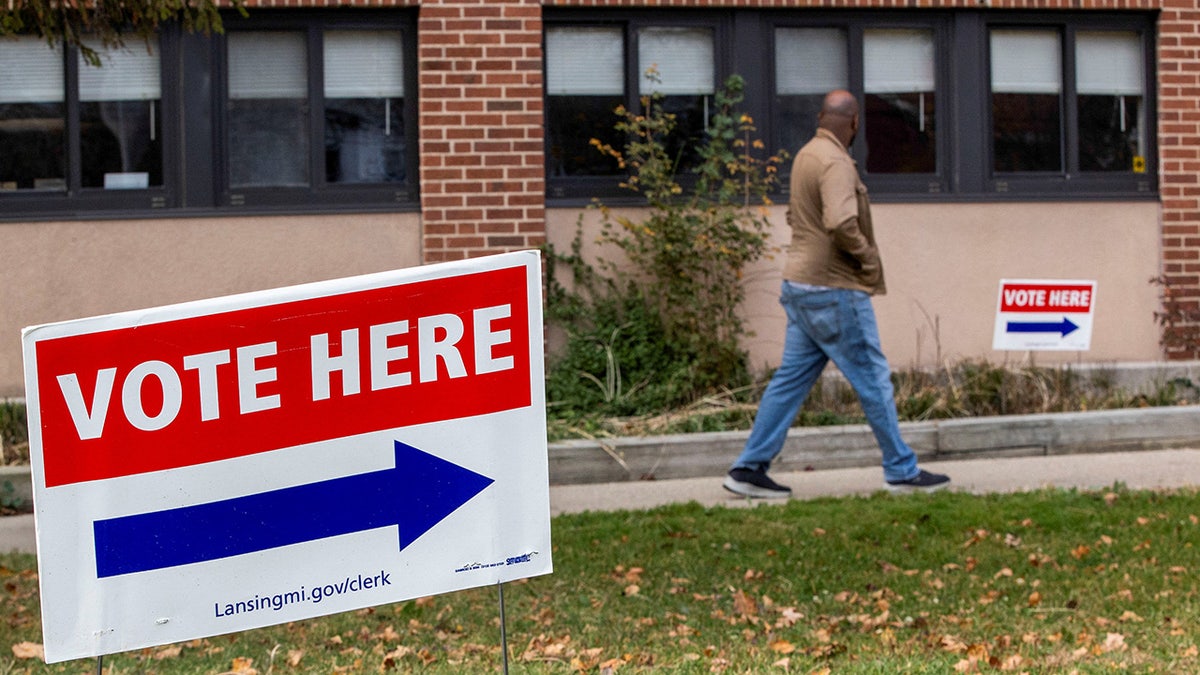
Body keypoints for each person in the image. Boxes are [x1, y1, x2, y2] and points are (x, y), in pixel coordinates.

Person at [723, 90, 950, 498]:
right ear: (855, 123)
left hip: (800, 284)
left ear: (820, 117)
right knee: (874, 379)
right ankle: (900, 469)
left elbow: (797, 216)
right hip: (833, 289)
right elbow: (841, 221)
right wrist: (865, 258)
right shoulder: (836, 163)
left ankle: (748, 469)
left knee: (789, 381)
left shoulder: (806, 155)